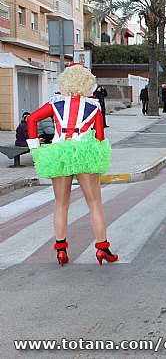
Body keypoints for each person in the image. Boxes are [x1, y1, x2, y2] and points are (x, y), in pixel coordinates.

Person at [26, 64, 117, 266]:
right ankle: (103, 249)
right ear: (87, 82)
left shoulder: (55, 103)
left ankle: (61, 250)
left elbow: (31, 119)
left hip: (59, 152)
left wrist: (35, 148)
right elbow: (100, 137)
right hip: (85, 153)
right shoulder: (94, 106)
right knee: (94, 204)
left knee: (61, 204)